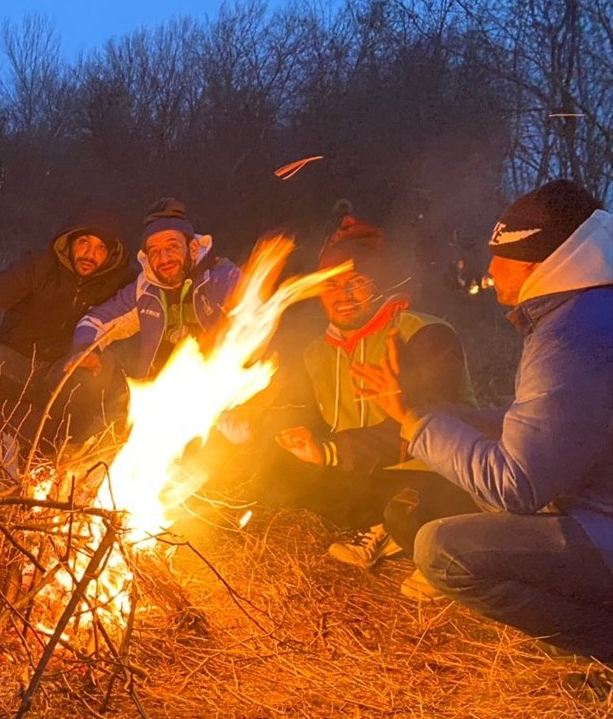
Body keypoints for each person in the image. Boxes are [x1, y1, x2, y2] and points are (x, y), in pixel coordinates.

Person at [354, 179, 613, 669]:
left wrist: (416, 420)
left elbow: (516, 486)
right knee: (453, 494)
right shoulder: (588, 312)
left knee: (441, 549)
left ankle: (603, 643)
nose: (490, 269)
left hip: (605, 529)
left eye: (501, 256)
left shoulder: (570, 338)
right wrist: (444, 413)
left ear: (540, 261)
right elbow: (548, 427)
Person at [254, 204, 479, 596]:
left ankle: (430, 543)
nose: (342, 296)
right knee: (271, 472)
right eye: (330, 285)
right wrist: (261, 421)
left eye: (356, 282)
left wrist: (331, 450)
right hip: (364, 472)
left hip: (436, 470)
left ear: (380, 283)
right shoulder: (316, 352)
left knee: (408, 510)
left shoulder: (424, 335)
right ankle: (383, 524)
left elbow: (424, 425)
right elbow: (307, 413)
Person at [0, 214, 131, 476]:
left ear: (111, 255)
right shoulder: (38, 267)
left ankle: (66, 444)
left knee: (100, 366)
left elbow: (147, 295)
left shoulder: (113, 283)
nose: (91, 254)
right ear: (69, 242)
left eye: (101, 248)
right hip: (16, 367)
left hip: (60, 375)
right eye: (85, 243)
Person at [67, 198, 240, 411]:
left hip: (221, 397)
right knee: (86, 384)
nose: (164, 258)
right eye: (155, 251)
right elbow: (95, 321)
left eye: (172, 246)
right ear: (147, 258)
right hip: (156, 403)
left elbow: (256, 321)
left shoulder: (221, 279)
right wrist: (86, 350)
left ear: (193, 248)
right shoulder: (144, 290)